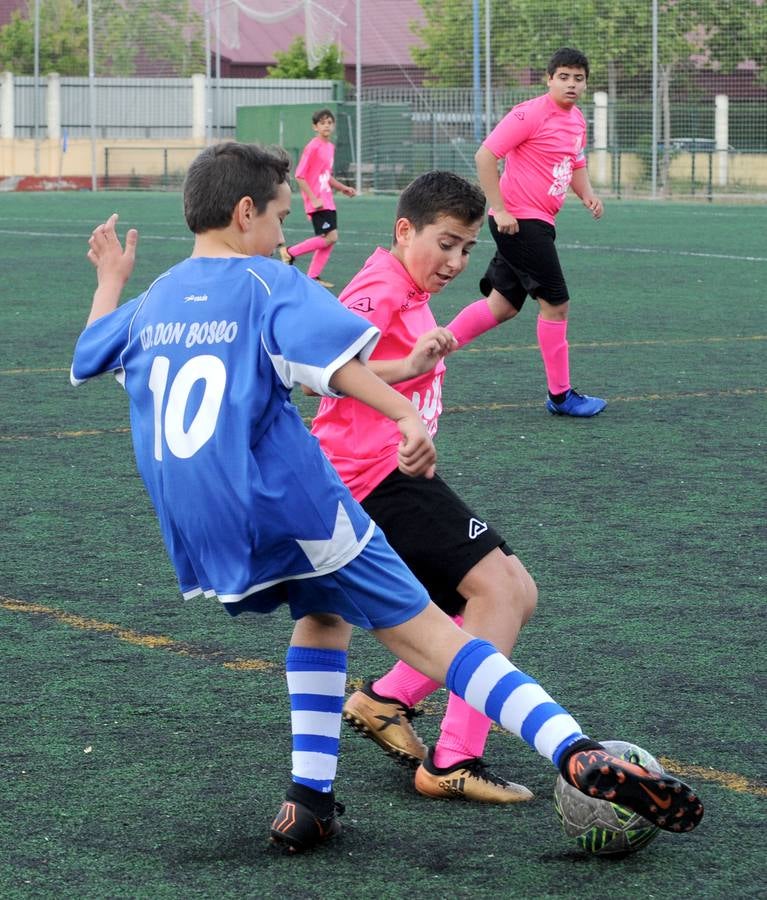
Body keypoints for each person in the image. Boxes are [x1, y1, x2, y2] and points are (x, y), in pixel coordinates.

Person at [70, 142, 703, 854]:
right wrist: (404, 415)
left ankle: (308, 803)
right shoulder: (266, 284)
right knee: (440, 635)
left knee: (322, 615)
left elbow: (93, 347)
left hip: (203, 526)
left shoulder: (154, 298)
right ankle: (573, 750)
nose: (288, 233)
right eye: (282, 217)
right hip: (300, 500)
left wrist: (111, 278)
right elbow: (335, 368)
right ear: (245, 213)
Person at [312, 170, 541, 804]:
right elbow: (318, 370)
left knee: (515, 591)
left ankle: (388, 698)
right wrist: (408, 366)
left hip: (396, 473)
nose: (456, 261)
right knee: (495, 588)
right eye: (446, 244)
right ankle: (453, 762)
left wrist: (513, 275)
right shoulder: (379, 286)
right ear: (404, 229)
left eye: (467, 249)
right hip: (372, 478)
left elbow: (457, 329)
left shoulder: (409, 287)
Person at [459, 47, 606, 417]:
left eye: (579, 78)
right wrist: (500, 208)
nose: (572, 84)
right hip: (520, 222)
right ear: (549, 78)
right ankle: (561, 397)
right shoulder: (529, 113)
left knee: (502, 306)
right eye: (564, 76)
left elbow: (576, 162)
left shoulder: (577, 121)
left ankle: (429, 349)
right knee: (556, 304)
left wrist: (587, 194)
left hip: (538, 222)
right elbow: (485, 156)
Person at [277, 107, 355, 289]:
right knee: (331, 237)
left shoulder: (330, 147)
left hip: (328, 200)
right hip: (318, 201)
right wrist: (313, 199)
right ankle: (289, 252)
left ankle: (313, 276)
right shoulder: (313, 146)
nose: (326, 126)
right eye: (322, 123)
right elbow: (299, 175)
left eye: (329, 122)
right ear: (315, 127)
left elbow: (326, 175)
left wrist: (343, 188)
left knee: (328, 238)